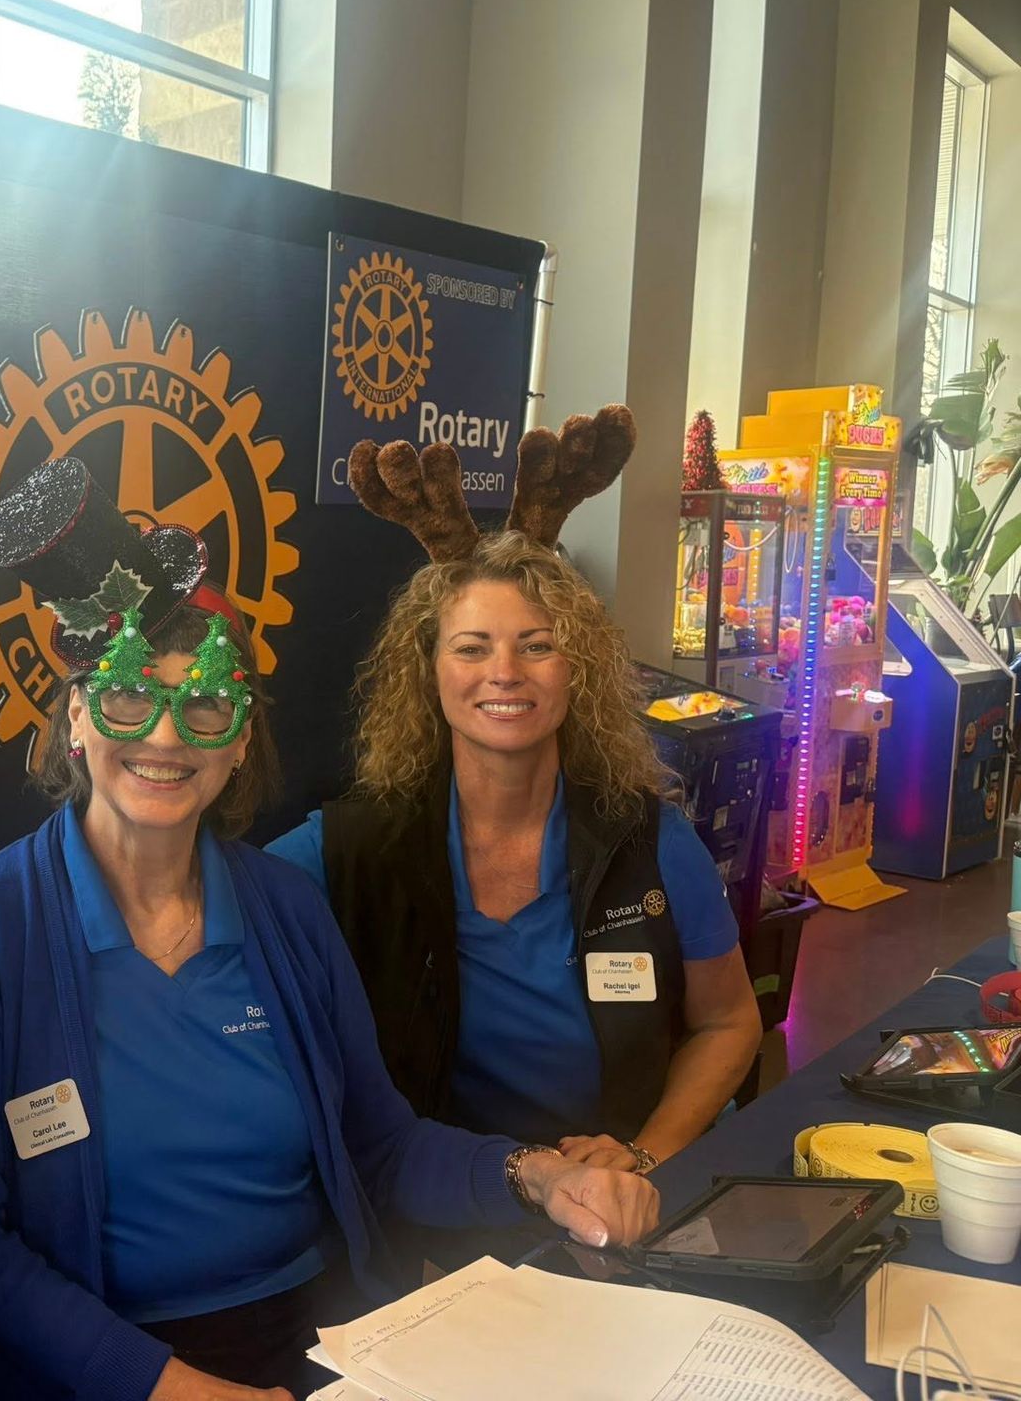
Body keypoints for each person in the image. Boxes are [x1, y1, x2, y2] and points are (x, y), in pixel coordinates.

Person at [0, 458, 658, 1401]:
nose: (170, 737)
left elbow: (380, 1144)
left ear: (242, 737)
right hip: (102, 1368)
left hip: (323, 1343)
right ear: (75, 724)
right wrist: (170, 1388)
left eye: (209, 703)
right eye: (133, 696)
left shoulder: (285, 909)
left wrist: (538, 1176)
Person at [269, 411, 762, 1185]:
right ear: (427, 673)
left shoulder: (649, 840)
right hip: (469, 1200)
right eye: (472, 647)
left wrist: (644, 1158)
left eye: (538, 645)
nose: (506, 671)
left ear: (580, 671)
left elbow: (730, 1022)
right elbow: (211, 897)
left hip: (632, 1194)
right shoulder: (349, 848)